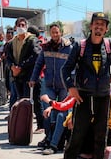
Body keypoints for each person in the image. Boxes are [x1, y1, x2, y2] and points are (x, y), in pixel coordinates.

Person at [61, 12, 111, 159]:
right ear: (91, 26)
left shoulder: (109, 46)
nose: (99, 27)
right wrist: (71, 88)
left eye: (103, 25)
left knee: (101, 137)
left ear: (106, 29)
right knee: (77, 136)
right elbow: (65, 69)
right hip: (83, 98)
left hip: (103, 97)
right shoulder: (80, 46)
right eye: (96, 23)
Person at [29, 23, 73, 154]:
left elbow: (74, 66)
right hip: (49, 84)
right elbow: (39, 64)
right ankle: (48, 138)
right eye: (52, 32)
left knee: (62, 113)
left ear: (61, 32)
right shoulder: (46, 47)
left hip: (64, 85)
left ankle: (57, 142)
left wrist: (73, 83)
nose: (55, 35)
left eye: (57, 32)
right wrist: (33, 78)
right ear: (50, 33)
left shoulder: (69, 48)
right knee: (47, 113)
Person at [6, 17, 41, 106]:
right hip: (17, 77)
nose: (21, 27)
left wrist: (21, 66)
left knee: (33, 103)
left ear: (26, 27)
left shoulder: (32, 40)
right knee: (21, 101)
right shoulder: (11, 43)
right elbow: (8, 57)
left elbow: (36, 56)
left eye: (23, 25)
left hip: (29, 76)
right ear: (15, 27)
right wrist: (12, 67)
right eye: (19, 25)